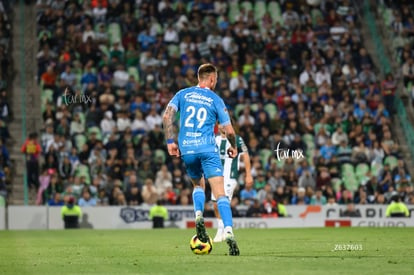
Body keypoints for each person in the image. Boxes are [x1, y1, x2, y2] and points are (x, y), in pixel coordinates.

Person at [162, 63, 240, 256]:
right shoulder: (215, 99)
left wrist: (170, 141)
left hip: (187, 148)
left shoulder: (183, 94)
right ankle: (228, 231)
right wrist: (234, 146)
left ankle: (198, 215)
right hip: (207, 148)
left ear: (199, 77)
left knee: (198, 186)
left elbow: (167, 116)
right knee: (220, 194)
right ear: (212, 79)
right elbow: (229, 130)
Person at [211, 124, 252, 242]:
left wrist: (248, 174)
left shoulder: (237, 139)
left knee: (222, 202)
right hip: (216, 176)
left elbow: (246, 156)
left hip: (230, 176)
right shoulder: (214, 140)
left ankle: (226, 230)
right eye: (220, 124)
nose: (223, 127)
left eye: (225, 124)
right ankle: (221, 229)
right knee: (215, 204)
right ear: (217, 126)